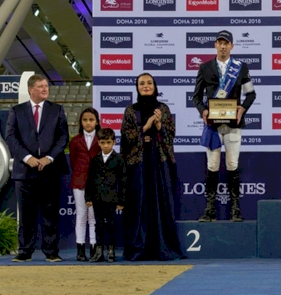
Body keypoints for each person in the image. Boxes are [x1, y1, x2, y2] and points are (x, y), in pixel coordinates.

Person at [192, 30, 256, 222]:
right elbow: (196, 96)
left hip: (233, 124)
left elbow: (251, 94)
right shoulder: (205, 68)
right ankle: (210, 209)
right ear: (215, 45)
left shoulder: (241, 67)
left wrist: (242, 109)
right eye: (219, 42)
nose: (222, 46)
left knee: (232, 164)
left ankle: (235, 208)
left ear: (231, 46)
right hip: (212, 125)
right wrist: (203, 111)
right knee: (212, 165)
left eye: (226, 43)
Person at [5, 74, 69, 262]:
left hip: (50, 170)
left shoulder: (57, 110)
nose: (45, 89)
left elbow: (63, 137)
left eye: (46, 86)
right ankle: (25, 252)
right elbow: (11, 137)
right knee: (26, 215)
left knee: (50, 213)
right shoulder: (16, 111)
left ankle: (51, 252)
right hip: (25, 172)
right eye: (40, 86)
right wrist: (28, 157)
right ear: (31, 89)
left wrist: (48, 158)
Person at [120, 73, 183, 261]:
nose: (146, 86)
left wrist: (159, 124)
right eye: (142, 83)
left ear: (154, 86)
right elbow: (126, 137)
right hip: (137, 164)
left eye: (149, 83)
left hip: (159, 162)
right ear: (137, 87)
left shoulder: (163, 108)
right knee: (138, 204)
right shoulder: (131, 110)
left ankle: (162, 247)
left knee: (160, 202)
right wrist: (145, 127)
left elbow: (171, 136)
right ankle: (139, 248)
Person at [85, 128, 127, 263]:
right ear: (98, 143)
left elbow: (123, 181)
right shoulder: (95, 159)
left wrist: (121, 201)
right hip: (97, 198)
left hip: (111, 198)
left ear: (114, 142)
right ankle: (98, 251)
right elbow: (90, 179)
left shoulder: (119, 160)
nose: (106, 146)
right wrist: (88, 197)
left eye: (108, 142)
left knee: (111, 224)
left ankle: (111, 250)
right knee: (98, 224)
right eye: (103, 143)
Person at [68, 107, 101, 261]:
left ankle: (94, 247)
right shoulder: (75, 140)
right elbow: (73, 162)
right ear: (81, 122)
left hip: (97, 182)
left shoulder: (101, 139)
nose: (88, 123)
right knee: (81, 215)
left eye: (91, 120)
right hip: (79, 181)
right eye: (85, 120)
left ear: (96, 122)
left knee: (94, 216)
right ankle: (80, 248)